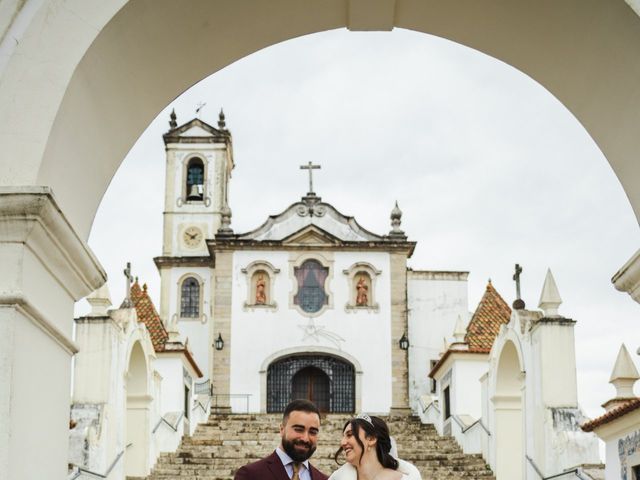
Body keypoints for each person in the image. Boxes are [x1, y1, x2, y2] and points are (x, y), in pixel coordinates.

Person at [234, 399, 329, 480]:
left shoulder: (324, 479)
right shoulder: (250, 475)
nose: (305, 439)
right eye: (299, 430)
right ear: (282, 429)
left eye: (312, 432)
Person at [329, 414, 421, 480]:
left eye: (349, 435)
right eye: (343, 437)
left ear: (371, 439)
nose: (342, 443)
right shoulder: (338, 477)